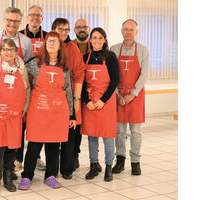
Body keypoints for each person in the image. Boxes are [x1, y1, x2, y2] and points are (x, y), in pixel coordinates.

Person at [18, 31, 76, 190]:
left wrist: (72, 114)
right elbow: (19, 70)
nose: (52, 44)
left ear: (60, 46)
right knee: (34, 146)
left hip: (58, 111)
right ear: (45, 44)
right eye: (49, 41)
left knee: (53, 147)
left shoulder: (64, 66)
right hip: (39, 111)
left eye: (55, 42)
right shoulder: (35, 62)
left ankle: (50, 175)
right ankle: (26, 176)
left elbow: (69, 90)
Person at [0, 6, 33, 182]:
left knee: (14, 138)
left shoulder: (26, 42)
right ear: (4, 20)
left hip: (15, 100)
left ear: (20, 22)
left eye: (16, 21)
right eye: (9, 20)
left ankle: (9, 170)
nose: (12, 24)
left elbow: (25, 66)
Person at [0, 38, 31, 195]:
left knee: (12, 149)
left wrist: (24, 108)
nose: (8, 53)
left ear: (15, 52)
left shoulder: (21, 69)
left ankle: (8, 178)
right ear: (0, 51)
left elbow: (27, 89)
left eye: (11, 50)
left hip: (15, 117)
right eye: (5, 50)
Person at [110, 19, 149, 176]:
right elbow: (111, 75)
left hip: (136, 95)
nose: (128, 32)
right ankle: (120, 160)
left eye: (131, 29)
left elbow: (144, 74)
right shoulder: (113, 49)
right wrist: (117, 95)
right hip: (118, 95)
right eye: (125, 29)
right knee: (119, 131)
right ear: (121, 31)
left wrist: (133, 94)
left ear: (136, 32)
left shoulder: (143, 50)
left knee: (136, 131)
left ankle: (135, 162)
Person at [81, 27, 119, 182]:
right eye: (94, 38)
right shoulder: (85, 58)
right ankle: (93, 165)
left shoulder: (110, 57)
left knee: (108, 137)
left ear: (104, 40)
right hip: (90, 102)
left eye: (100, 38)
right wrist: (87, 101)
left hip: (106, 102)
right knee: (92, 135)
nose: (97, 41)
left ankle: (108, 167)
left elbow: (115, 81)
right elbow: (81, 82)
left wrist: (103, 100)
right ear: (90, 39)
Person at [15, 4, 48, 172]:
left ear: (42, 18)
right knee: (21, 123)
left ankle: (37, 157)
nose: (35, 18)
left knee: (37, 124)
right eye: (32, 15)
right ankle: (17, 158)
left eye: (39, 15)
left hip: (41, 86)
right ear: (27, 17)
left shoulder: (48, 36)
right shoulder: (19, 36)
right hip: (22, 84)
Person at [51, 18, 84, 179]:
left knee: (69, 134)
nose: (64, 32)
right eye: (60, 29)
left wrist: (76, 100)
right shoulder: (49, 46)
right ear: (53, 30)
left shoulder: (73, 49)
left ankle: (66, 168)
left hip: (69, 97)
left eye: (66, 29)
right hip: (51, 97)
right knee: (52, 134)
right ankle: (52, 168)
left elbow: (79, 76)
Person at [71, 18, 91, 170]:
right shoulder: (70, 46)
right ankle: (73, 155)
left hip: (91, 91)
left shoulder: (97, 44)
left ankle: (93, 159)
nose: (81, 29)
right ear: (74, 30)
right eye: (78, 27)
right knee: (75, 125)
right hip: (75, 90)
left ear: (88, 28)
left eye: (84, 26)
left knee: (89, 126)